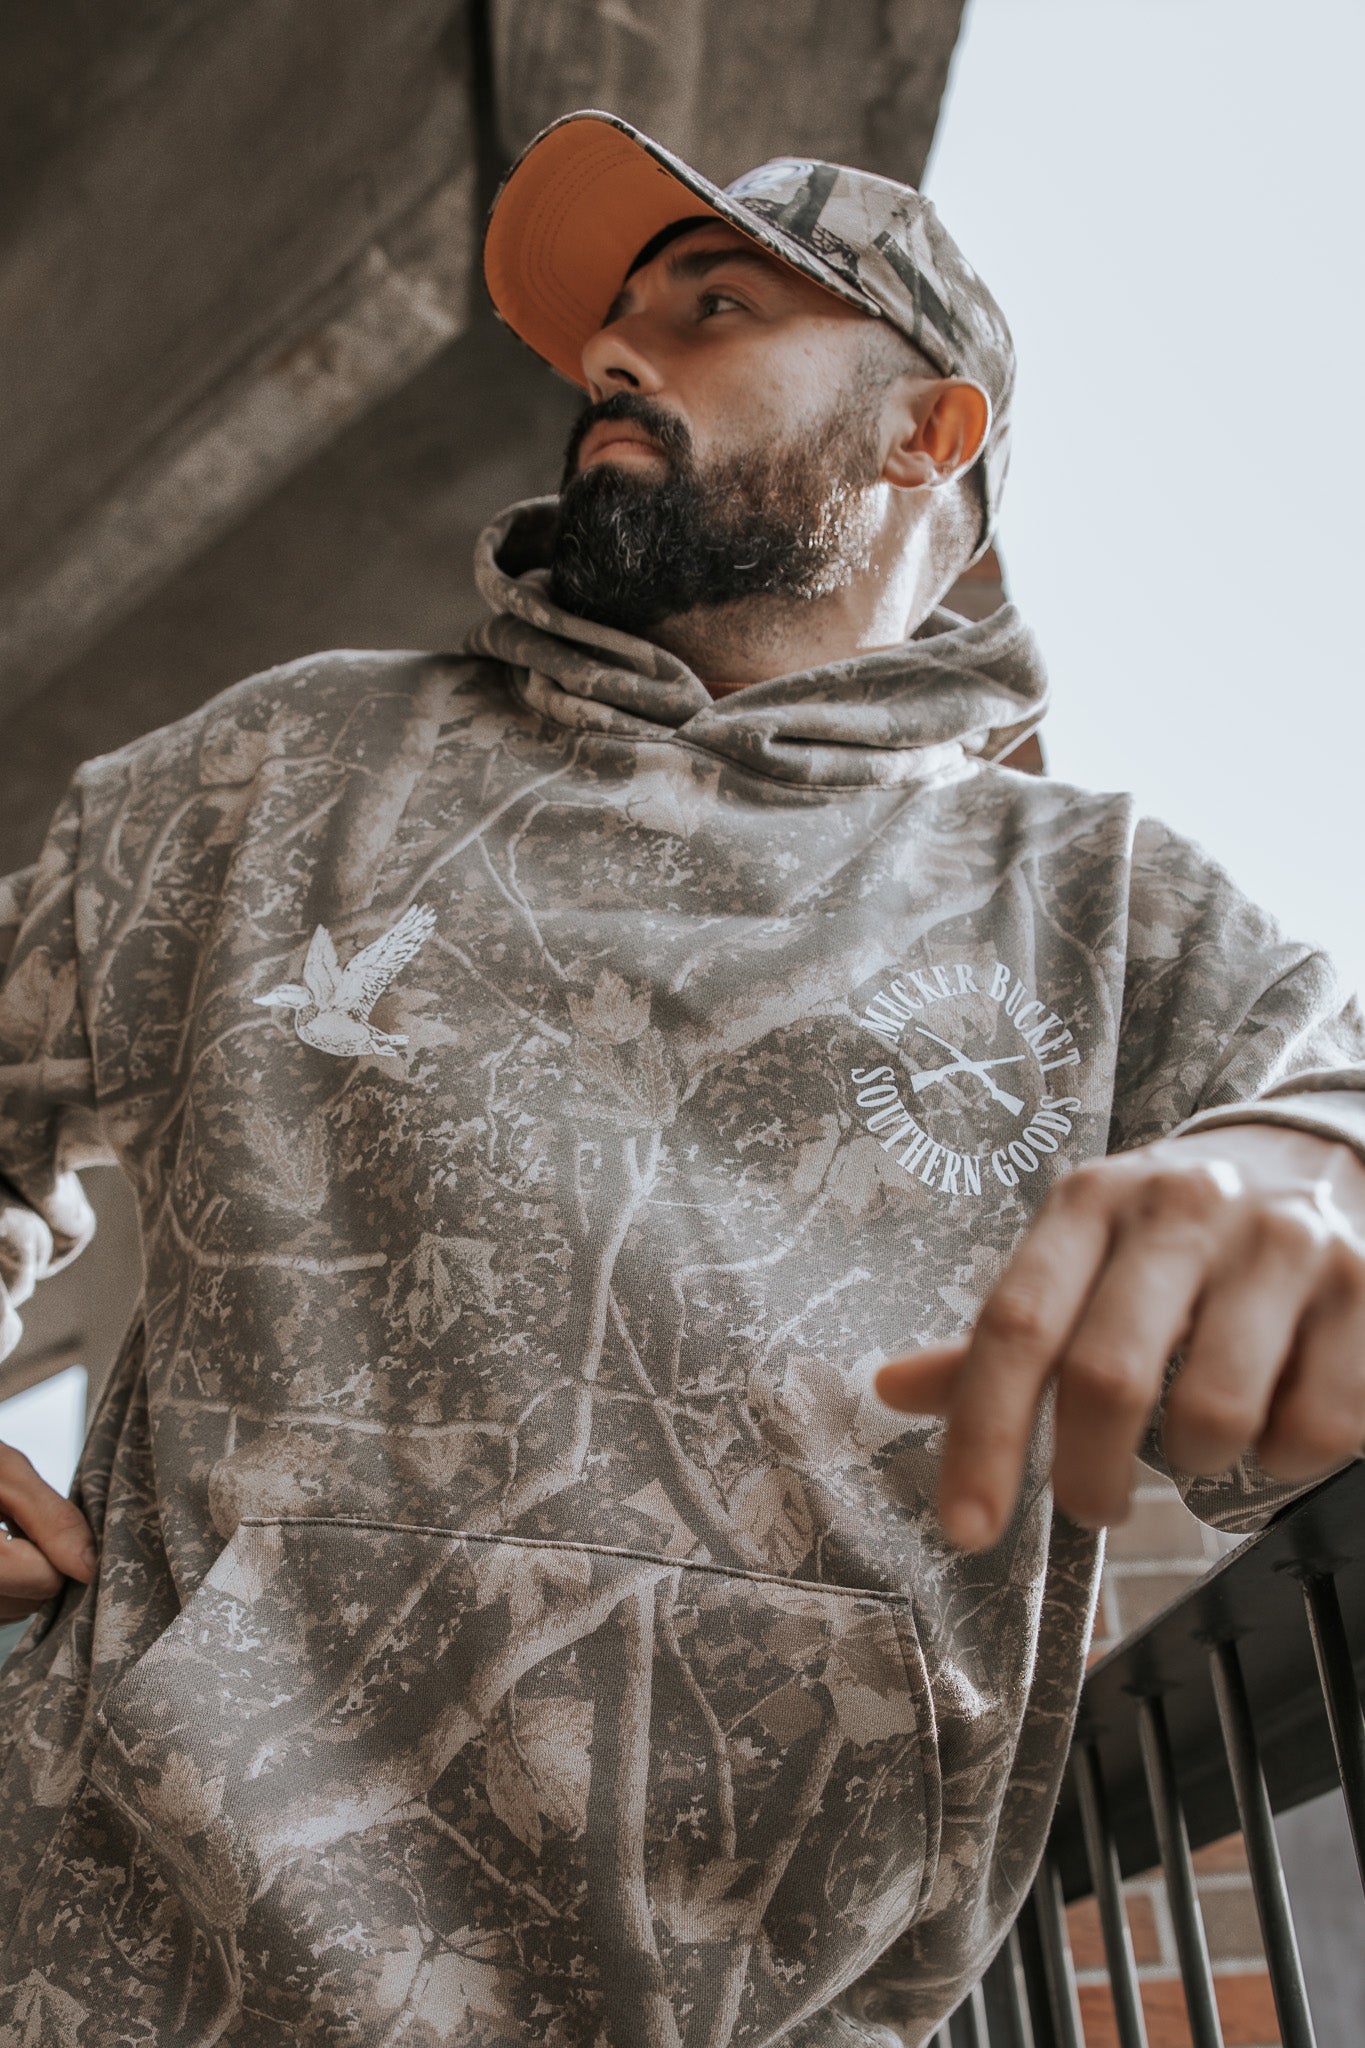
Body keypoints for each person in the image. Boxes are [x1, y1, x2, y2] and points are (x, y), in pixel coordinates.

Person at [0, 107, 1361, 2047]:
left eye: (714, 307)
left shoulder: (1107, 905)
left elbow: (1331, 1165)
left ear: (926, 433)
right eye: (612, 323)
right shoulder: (279, 768)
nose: (613, 351)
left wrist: (1318, 1162)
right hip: (108, 1971)